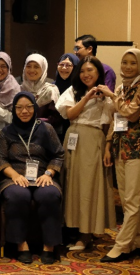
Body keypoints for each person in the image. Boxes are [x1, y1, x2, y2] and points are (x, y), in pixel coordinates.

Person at [0, 92, 64, 264]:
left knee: (49, 195)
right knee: (18, 195)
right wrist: (14, 175)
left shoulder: (46, 129)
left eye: (28, 107)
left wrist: (49, 173)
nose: (24, 111)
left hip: (42, 175)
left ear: (34, 108)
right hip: (14, 176)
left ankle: (49, 246)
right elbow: (1, 158)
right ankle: (21, 245)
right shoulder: (7, 131)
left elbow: (58, 155)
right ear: (14, 109)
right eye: (19, 107)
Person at [55, 56, 116, 250]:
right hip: (73, 138)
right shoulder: (73, 91)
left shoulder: (105, 95)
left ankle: (86, 234)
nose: (86, 74)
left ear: (99, 73)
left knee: (89, 187)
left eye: (90, 70)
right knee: (72, 184)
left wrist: (107, 148)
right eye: (82, 71)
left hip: (93, 141)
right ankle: (72, 229)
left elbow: (108, 125)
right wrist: (87, 97)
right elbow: (70, 114)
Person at [100, 49, 140, 262]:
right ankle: (135, 241)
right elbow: (116, 119)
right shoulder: (122, 87)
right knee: (126, 200)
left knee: (133, 201)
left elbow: (130, 112)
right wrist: (108, 145)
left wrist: (112, 96)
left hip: (137, 150)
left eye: (132, 63)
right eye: (124, 62)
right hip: (120, 148)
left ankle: (121, 245)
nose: (127, 66)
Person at [20, 54, 62, 129]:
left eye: (36, 67)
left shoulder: (50, 90)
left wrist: (34, 122)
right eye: (28, 66)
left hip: (43, 134)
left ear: (43, 69)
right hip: (21, 134)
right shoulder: (19, 90)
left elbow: (56, 119)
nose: (32, 70)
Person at [54, 53, 80, 140]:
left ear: (76, 68)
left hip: (74, 130)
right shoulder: (51, 86)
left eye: (68, 65)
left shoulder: (79, 88)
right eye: (61, 64)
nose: (64, 68)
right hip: (54, 130)